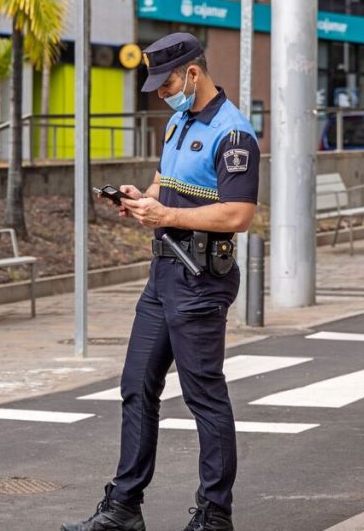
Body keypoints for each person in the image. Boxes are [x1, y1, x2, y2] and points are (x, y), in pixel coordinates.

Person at [62, 33, 258, 531]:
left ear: (192, 73)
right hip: (164, 274)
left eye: (167, 84)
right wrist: (139, 199)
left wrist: (166, 214)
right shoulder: (177, 122)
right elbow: (161, 185)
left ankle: (215, 515)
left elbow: (239, 214)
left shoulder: (233, 133)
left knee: (203, 396)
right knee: (136, 386)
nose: (162, 94)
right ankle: (124, 508)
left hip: (201, 278)